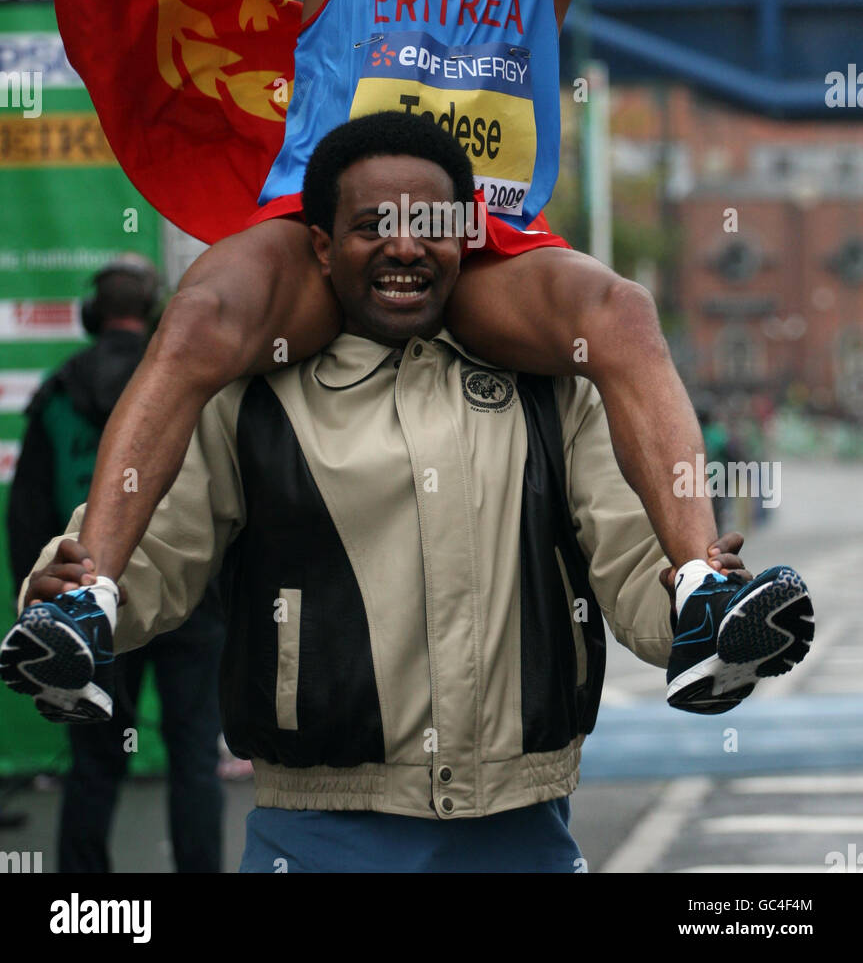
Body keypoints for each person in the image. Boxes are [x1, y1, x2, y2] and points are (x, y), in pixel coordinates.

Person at [0, 0, 809, 719]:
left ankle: (704, 592)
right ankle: (87, 602)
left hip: (478, 243)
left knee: (619, 311)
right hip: (318, 237)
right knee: (199, 312)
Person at [11, 115, 813, 873]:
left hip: (523, 829)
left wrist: (684, 604)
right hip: (318, 835)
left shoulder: (555, 388)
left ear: (467, 234)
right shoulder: (248, 393)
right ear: (321, 247)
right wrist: (67, 584)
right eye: (371, 227)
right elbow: (156, 557)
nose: (404, 247)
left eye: (428, 225)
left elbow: (630, 557)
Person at [4, 256, 224, 872]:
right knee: (194, 758)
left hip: (81, 596)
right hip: (193, 604)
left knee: (94, 762)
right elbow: (222, 500)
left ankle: (85, 905)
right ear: (154, 314)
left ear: (91, 315)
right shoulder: (185, 384)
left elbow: (26, 515)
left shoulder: (56, 391)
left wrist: (44, 604)